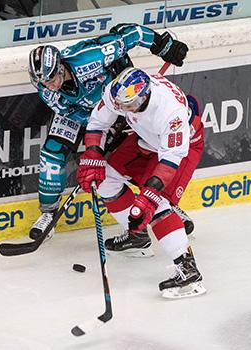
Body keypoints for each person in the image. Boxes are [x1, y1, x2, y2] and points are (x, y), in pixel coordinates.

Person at [28, 23, 190, 244]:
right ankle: (48, 213)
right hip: (86, 114)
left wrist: (161, 45)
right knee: (52, 154)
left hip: (121, 103)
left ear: (60, 68)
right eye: (42, 81)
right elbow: (70, 112)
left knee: (127, 158)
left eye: (51, 78)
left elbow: (128, 34)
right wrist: (102, 131)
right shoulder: (45, 89)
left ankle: (163, 205)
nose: (48, 85)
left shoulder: (89, 57)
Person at [76, 67, 206, 297]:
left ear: (144, 96)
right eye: (120, 105)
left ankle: (187, 270)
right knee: (106, 179)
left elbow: (170, 159)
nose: (121, 110)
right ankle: (137, 235)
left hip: (179, 149)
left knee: (155, 204)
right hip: (147, 139)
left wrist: (149, 195)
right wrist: (94, 154)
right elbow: (98, 122)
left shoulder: (170, 113)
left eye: (128, 106)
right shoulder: (119, 92)